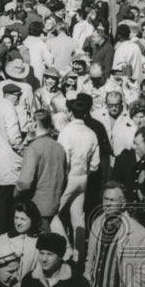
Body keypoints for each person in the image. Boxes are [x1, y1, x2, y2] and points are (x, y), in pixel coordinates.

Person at [57, 94, 102, 260]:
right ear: (85, 114)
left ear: (70, 113)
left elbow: (64, 158)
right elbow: (95, 163)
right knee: (78, 216)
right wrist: (86, 171)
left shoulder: (66, 132)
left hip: (69, 177)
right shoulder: (91, 133)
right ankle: (80, 254)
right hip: (84, 177)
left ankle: (67, 249)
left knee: (55, 213)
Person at [15, 109, 67, 232]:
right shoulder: (59, 147)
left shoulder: (34, 148)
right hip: (54, 202)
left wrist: (15, 193)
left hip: (35, 205)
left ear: (35, 124)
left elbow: (24, 182)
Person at [0, 82, 25, 237]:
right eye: (18, 96)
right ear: (11, 95)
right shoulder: (9, 109)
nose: (19, 99)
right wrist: (23, 150)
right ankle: (3, 229)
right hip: (7, 158)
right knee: (6, 197)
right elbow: (14, 137)